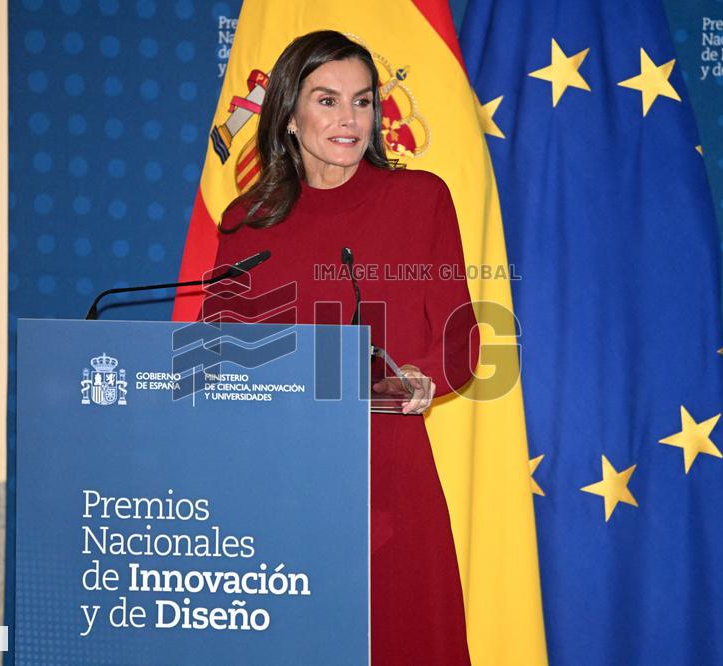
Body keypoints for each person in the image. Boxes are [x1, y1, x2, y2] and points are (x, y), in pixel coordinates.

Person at [201, 30, 479, 665]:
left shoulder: (420, 197)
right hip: (276, 485)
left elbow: (462, 336)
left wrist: (421, 376)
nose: (349, 119)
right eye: (327, 100)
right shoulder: (248, 220)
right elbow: (211, 358)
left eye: (362, 100)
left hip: (389, 471)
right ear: (290, 118)